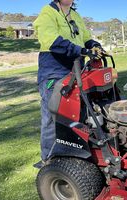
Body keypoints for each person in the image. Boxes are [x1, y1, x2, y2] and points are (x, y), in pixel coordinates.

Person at [33, 0, 107, 167]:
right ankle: (49, 161)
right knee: (53, 117)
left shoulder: (75, 15)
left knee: (78, 113)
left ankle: (75, 156)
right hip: (54, 70)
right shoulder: (47, 12)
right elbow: (52, 41)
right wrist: (82, 51)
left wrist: (94, 46)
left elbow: (86, 38)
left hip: (78, 70)